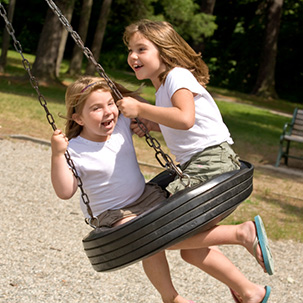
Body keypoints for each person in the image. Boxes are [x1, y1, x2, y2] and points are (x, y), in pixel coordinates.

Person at [51, 76, 273, 303]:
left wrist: (117, 93)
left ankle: (249, 288)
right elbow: (65, 191)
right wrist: (58, 154)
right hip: (114, 214)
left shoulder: (120, 123)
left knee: (189, 243)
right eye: (96, 108)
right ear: (78, 118)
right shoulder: (75, 149)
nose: (108, 112)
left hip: (147, 198)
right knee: (149, 240)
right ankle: (172, 297)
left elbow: (136, 104)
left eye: (110, 104)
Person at [115, 19, 274, 303]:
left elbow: (185, 118)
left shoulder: (177, 75)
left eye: (141, 49)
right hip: (202, 164)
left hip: (211, 162)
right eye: (130, 49)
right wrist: (151, 125)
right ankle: (251, 292)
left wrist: (140, 108)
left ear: (163, 51)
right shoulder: (163, 87)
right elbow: (183, 121)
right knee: (191, 249)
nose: (133, 56)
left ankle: (243, 232)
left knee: (161, 234)